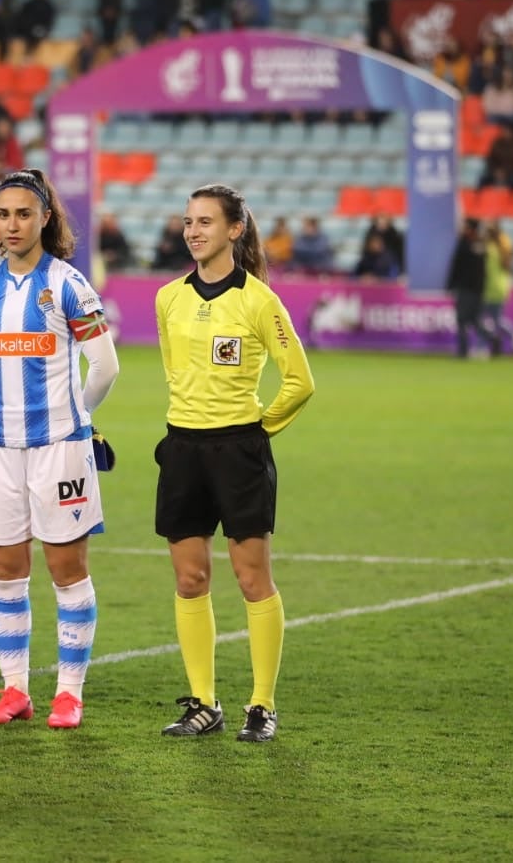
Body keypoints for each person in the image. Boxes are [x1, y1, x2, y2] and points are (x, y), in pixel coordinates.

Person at [0, 169, 119, 729]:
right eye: (3, 214)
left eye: (24, 213)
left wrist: (77, 416)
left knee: (66, 568)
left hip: (60, 447)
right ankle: (16, 690)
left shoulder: (70, 285)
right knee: (4, 570)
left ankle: (69, 693)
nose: (12, 224)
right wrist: (5, 404)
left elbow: (105, 366)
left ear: (45, 218)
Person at [155, 184, 314, 744]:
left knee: (252, 580)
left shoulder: (258, 300)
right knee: (190, 578)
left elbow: (300, 382)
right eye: (188, 221)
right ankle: (204, 703)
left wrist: (256, 431)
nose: (193, 231)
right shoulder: (168, 297)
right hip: (182, 450)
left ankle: (262, 705)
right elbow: (175, 372)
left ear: (234, 230)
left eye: (205, 222)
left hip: (239, 452)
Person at [446, 218, 499, 358]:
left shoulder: (464, 244)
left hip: (465, 289)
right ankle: (493, 338)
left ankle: (463, 350)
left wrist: (450, 285)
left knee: (462, 320)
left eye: (464, 226)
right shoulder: (480, 245)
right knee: (475, 320)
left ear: (469, 228)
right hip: (478, 289)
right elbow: (483, 270)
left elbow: (456, 267)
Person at [481, 220, 513, 355]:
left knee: (479, 320)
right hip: (501, 288)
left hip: (489, 289)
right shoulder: (503, 247)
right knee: (496, 319)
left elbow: (485, 271)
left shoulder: (489, 250)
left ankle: (483, 346)